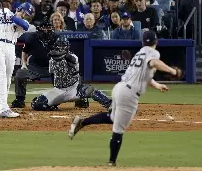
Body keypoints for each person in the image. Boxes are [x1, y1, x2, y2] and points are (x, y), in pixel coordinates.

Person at [68, 30, 182, 166]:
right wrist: (172, 71)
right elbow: (154, 62)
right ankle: (112, 162)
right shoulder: (153, 53)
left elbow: (145, 76)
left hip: (119, 89)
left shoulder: (139, 54)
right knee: (118, 129)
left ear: (143, 41)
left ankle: (82, 122)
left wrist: (157, 85)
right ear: (156, 42)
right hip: (129, 95)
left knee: (112, 118)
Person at [31, 37, 112, 111]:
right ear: (56, 46)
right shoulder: (52, 60)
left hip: (75, 90)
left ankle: (109, 104)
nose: (62, 47)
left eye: (64, 45)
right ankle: (54, 103)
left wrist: (62, 55)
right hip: (59, 90)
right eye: (60, 45)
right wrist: (55, 88)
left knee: (91, 90)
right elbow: (52, 75)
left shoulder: (73, 57)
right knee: (37, 105)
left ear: (68, 46)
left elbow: (71, 60)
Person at [0, 2, 35, 118]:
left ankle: (3, 105)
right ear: (19, 9)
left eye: (27, 14)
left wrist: (11, 17)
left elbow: (25, 26)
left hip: (10, 47)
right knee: (2, 75)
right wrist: (0, 15)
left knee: (8, 77)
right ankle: (3, 108)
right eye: (24, 12)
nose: (24, 15)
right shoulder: (5, 11)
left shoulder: (22, 22)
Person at [10, 21, 60, 108]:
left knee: (69, 76)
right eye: (44, 28)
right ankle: (20, 100)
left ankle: (58, 100)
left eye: (48, 28)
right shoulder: (32, 37)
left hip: (52, 67)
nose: (46, 30)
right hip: (35, 67)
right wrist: (24, 64)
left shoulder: (57, 37)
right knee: (20, 74)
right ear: (39, 29)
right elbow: (24, 52)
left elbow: (63, 52)